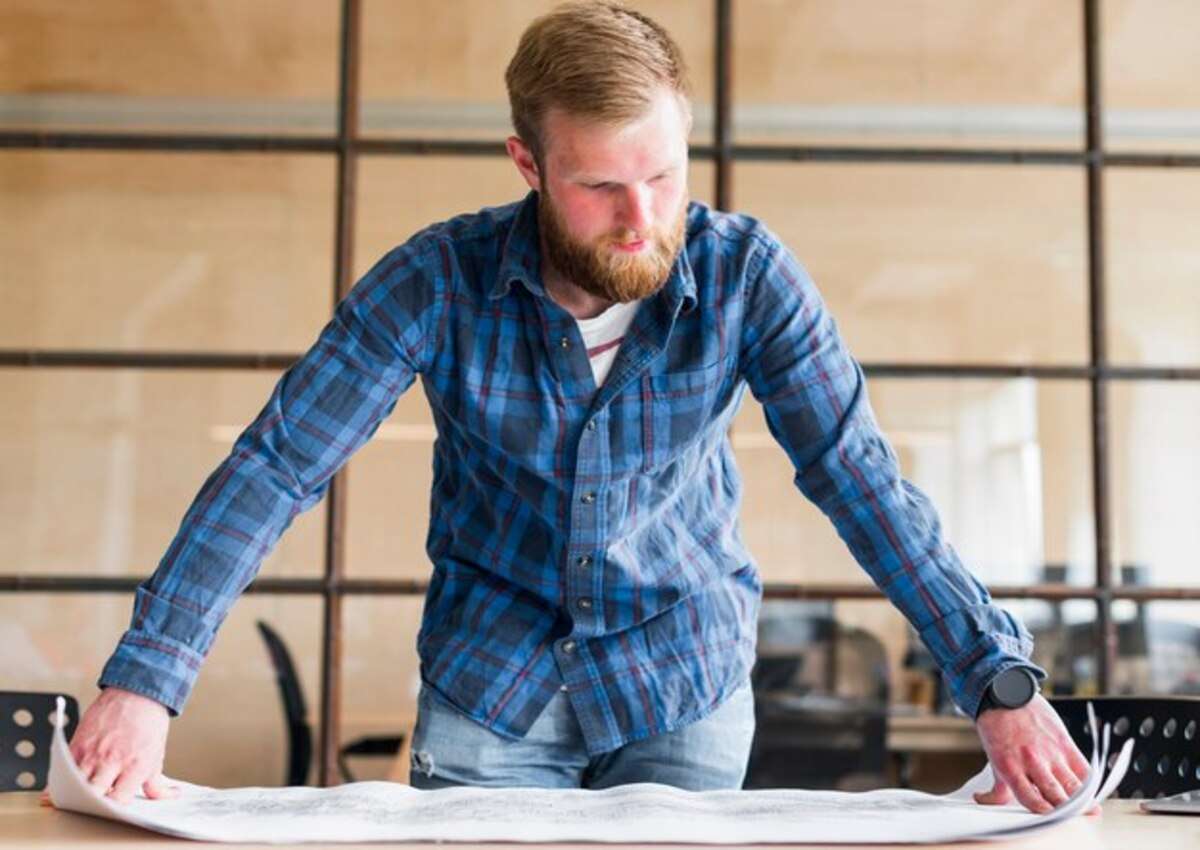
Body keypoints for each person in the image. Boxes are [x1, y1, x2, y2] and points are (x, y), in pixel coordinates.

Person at [69, 1, 1089, 811]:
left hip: (680, 680)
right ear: (528, 163)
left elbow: (857, 476)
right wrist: (148, 681)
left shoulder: (746, 277)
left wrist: (997, 681)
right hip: (493, 691)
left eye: (664, 175)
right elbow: (278, 464)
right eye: (602, 186)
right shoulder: (436, 279)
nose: (644, 221)